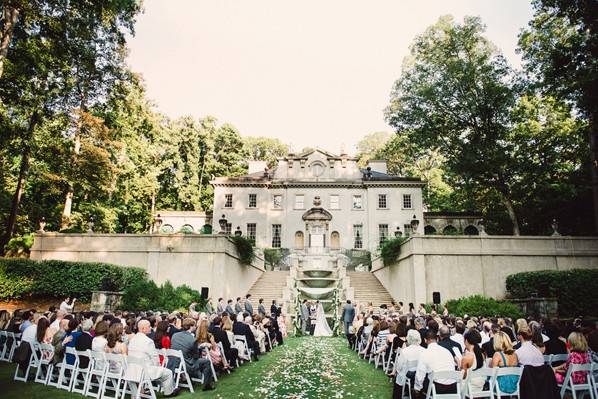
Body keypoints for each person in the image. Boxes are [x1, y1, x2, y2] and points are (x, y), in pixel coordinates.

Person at [128, 320, 180, 397]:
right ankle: (169, 393)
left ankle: (167, 388)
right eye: (149, 326)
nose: (151, 328)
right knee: (168, 373)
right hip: (145, 371)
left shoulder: (132, 339)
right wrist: (158, 368)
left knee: (162, 373)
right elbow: (155, 357)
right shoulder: (148, 341)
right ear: (143, 329)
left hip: (132, 370)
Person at [170, 318, 215, 391]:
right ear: (191, 326)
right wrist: (199, 348)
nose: (195, 327)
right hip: (186, 365)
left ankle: (191, 380)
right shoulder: (192, 339)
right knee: (206, 362)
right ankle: (207, 385)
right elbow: (196, 356)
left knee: (190, 358)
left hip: (174, 363)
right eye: (194, 325)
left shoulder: (174, 335)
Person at [414, 330, 458, 395]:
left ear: (425, 340)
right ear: (437, 339)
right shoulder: (447, 351)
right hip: (453, 387)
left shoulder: (425, 353)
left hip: (437, 388)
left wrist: (417, 388)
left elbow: (420, 375)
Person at [393, 329, 425, 398]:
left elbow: (399, 367)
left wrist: (397, 371)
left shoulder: (405, 351)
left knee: (398, 375)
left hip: (407, 374)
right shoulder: (424, 350)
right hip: (419, 375)